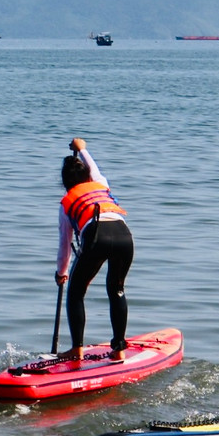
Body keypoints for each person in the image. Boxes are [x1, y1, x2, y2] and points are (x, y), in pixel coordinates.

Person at [56, 137, 134, 362]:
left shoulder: (67, 203)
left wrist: (62, 273)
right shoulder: (100, 183)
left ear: (65, 183)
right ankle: (119, 349)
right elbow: (94, 167)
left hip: (96, 237)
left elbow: (64, 245)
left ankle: (77, 349)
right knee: (116, 290)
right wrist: (82, 150)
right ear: (87, 177)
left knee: (76, 292)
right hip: (124, 237)